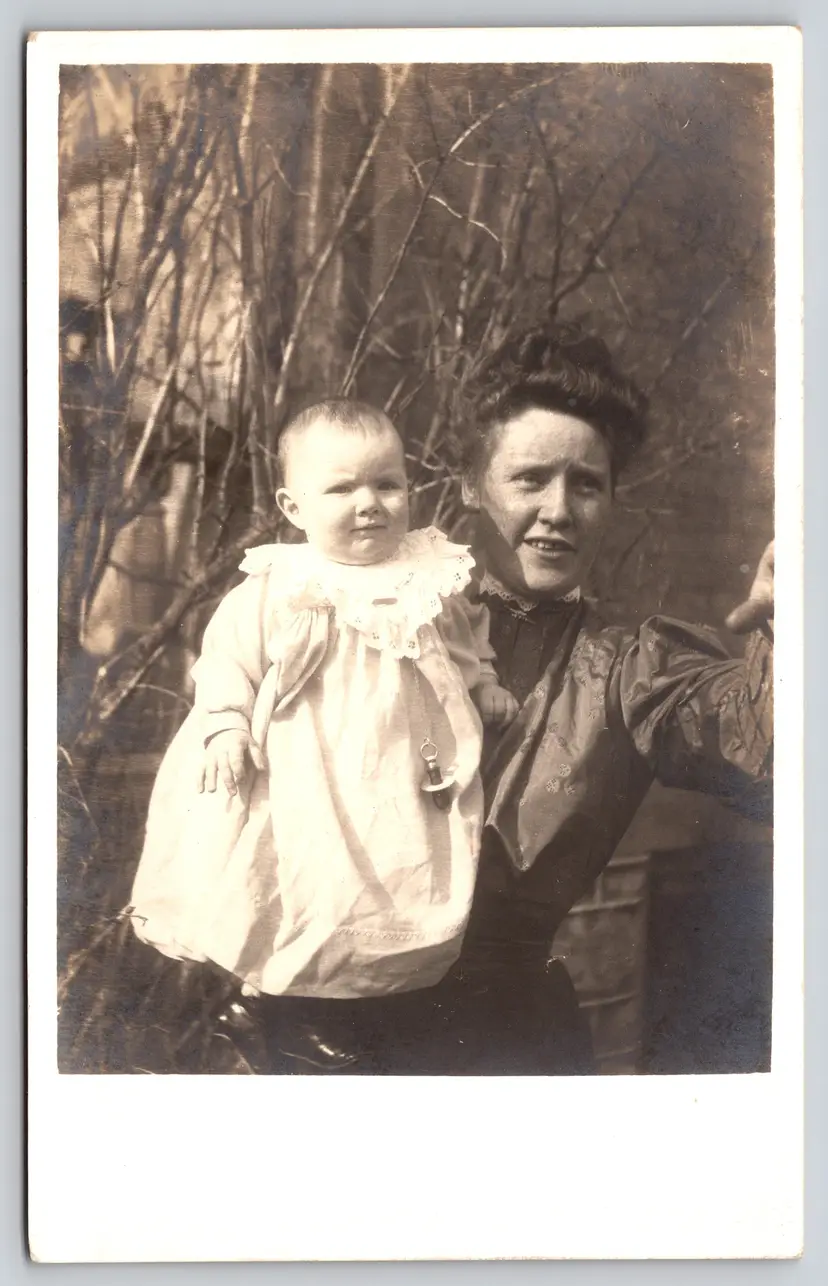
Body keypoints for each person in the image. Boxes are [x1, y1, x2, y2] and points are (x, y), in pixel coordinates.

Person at [135, 325, 775, 1077]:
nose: (559, 509)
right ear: (472, 484)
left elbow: (767, 752)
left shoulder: (628, 668)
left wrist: (791, 625)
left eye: (588, 484)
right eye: (530, 478)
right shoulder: (338, 613)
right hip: (306, 1030)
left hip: (497, 1044)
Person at [127, 400, 518, 1040]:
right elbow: (226, 659)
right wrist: (225, 721)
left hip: (398, 767)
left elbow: (464, 641)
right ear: (293, 508)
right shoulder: (281, 587)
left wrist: (485, 682)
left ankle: (366, 1001)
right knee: (301, 879)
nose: (370, 502)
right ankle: (276, 1002)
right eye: (342, 488)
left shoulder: (428, 578)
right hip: (305, 770)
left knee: (396, 874)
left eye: (387, 484)